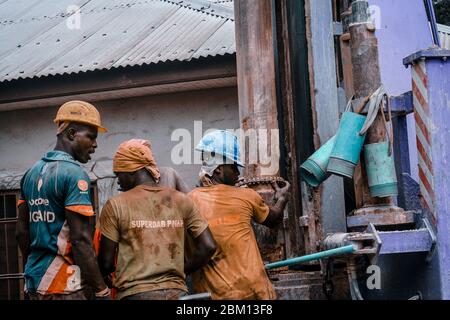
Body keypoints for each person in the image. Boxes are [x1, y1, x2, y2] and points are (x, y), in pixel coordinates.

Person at [98, 139, 216, 300]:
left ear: (131, 171)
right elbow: (208, 246)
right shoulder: (182, 200)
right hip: (177, 293)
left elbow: (105, 262)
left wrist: (104, 275)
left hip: (134, 294)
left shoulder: (115, 204)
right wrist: (180, 271)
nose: (118, 181)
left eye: (119, 174)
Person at [15, 100, 110, 300]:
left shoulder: (30, 174)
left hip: (33, 282)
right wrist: (101, 289)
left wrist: (35, 266)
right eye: (91, 137)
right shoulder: (75, 175)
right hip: (63, 286)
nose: (95, 145)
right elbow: (80, 240)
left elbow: (21, 232)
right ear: (72, 133)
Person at [188, 130, 291, 300]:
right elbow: (274, 220)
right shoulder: (247, 196)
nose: (238, 173)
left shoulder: (190, 199)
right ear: (219, 169)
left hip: (216, 296)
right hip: (255, 293)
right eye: (234, 167)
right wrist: (282, 199)